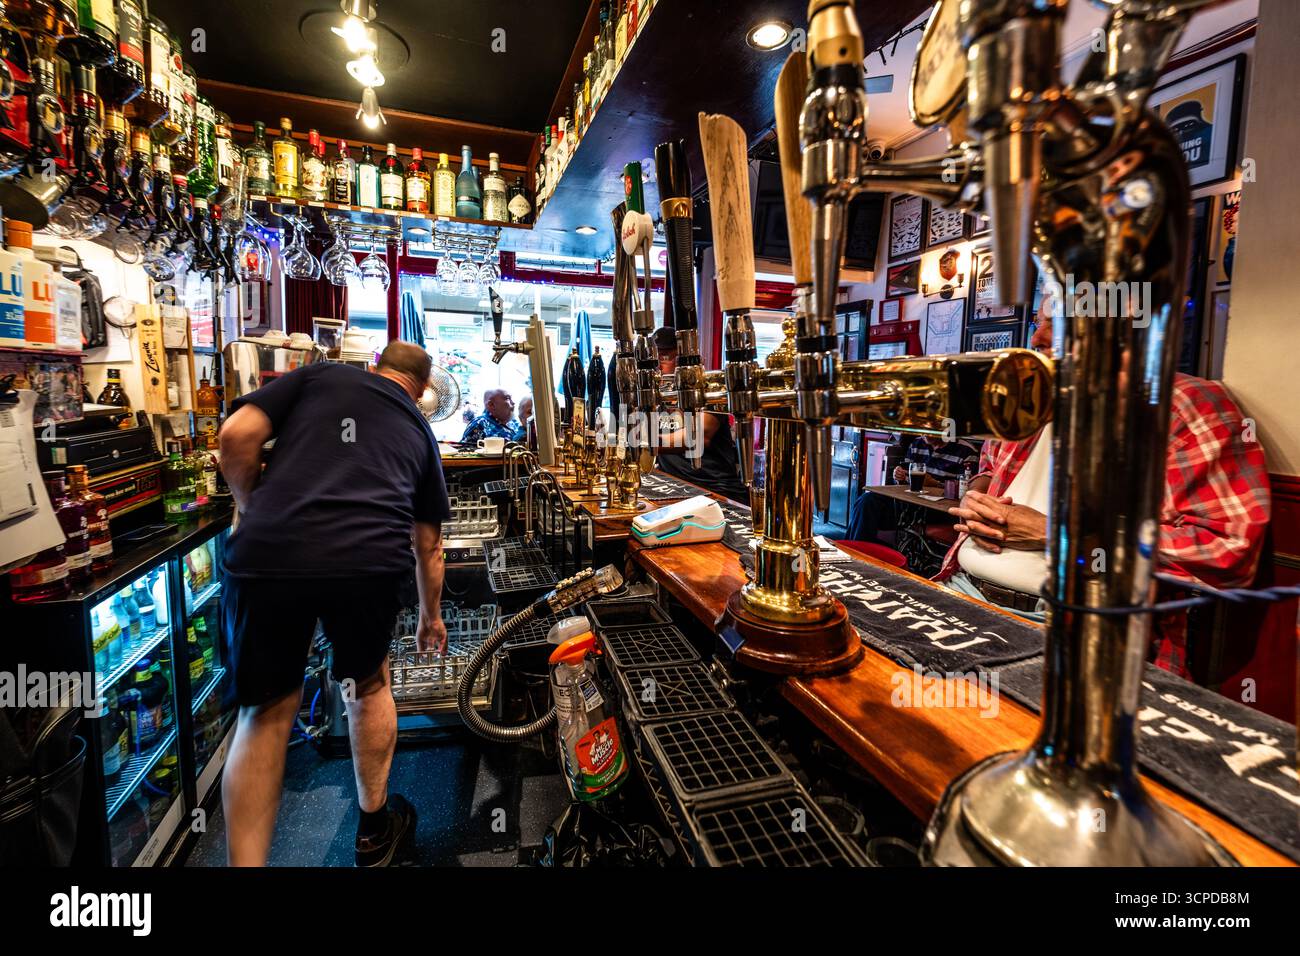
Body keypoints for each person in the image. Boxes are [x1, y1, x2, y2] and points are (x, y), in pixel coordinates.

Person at [937, 298, 1270, 676]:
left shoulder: (1184, 404)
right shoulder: (1033, 394)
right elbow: (990, 466)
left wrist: (1053, 534)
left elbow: (1227, 552)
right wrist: (976, 496)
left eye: (1059, 325)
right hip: (961, 589)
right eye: (1038, 322)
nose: (1038, 337)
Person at [217, 341, 451, 867]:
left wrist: (257, 509)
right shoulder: (417, 428)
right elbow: (429, 546)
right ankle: (373, 833)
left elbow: (235, 435)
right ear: (423, 389)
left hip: (268, 555)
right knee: (367, 685)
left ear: (376, 367)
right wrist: (430, 618)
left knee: (266, 715)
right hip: (366, 560)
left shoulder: (321, 377)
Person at [650, 327, 748, 502]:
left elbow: (699, 436)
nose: (658, 364)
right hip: (674, 488)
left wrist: (645, 443)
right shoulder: (661, 395)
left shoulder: (710, 389)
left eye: (665, 356)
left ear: (686, 359)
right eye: (655, 357)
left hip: (715, 492)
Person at [845, 433, 979, 543]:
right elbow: (905, 478)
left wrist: (935, 484)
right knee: (867, 501)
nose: (924, 433)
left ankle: (858, 552)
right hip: (911, 505)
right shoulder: (917, 444)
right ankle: (855, 552)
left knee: (867, 511)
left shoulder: (967, 452)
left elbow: (968, 492)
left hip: (938, 512)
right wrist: (899, 477)